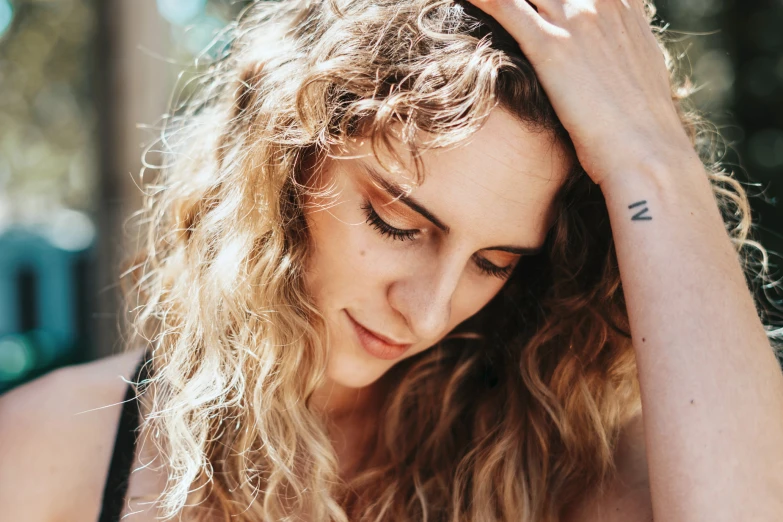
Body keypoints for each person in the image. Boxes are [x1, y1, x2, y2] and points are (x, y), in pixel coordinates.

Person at [1, 0, 782, 520]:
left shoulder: (558, 456)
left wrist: (649, 160)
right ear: (287, 157)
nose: (430, 310)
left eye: (495, 262)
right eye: (397, 222)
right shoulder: (50, 450)